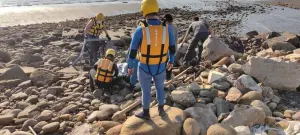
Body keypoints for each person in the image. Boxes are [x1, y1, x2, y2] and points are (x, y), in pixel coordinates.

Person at [127, 0, 176, 120]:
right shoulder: (167, 28)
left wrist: (130, 67)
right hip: (160, 66)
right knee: (160, 88)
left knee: (146, 91)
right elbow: (173, 48)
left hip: (144, 67)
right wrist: (171, 61)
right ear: (156, 9)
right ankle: (161, 109)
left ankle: (146, 113)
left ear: (144, 11)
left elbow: (132, 52)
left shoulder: (140, 29)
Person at [163, 14, 178, 80]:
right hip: (173, 49)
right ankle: (168, 78)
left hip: (165, 50)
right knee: (170, 64)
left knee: (163, 65)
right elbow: (176, 39)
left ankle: (162, 78)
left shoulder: (164, 28)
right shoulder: (175, 28)